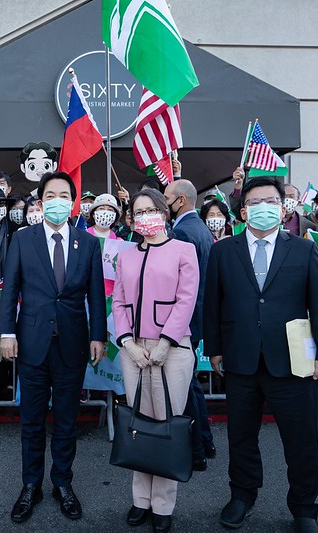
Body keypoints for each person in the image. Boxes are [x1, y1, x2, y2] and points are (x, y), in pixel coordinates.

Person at [204, 176, 318, 533]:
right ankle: (242, 495)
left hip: (293, 360)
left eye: (271, 201)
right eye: (256, 201)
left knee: (301, 439)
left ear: (282, 207)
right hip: (240, 359)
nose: (264, 207)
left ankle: (304, 508)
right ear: (244, 210)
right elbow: (212, 305)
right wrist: (213, 349)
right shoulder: (222, 251)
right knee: (241, 436)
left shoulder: (304, 249)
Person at [0, 171, 107, 524]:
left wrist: (98, 336)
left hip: (73, 344)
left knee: (66, 420)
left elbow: (95, 294)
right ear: (42, 201)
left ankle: (63, 482)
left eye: (65, 195)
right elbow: (10, 289)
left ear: (72, 201)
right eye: (51, 195)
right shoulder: (23, 239)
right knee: (31, 421)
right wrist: (7, 333)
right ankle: (31, 484)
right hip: (31, 343)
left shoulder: (88, 243)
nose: (58, 200)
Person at [112, 188, 198, 533]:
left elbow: (187, 298)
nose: (145, 215)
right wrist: (127, 343)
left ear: (163, 212)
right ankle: (140, 500)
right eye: (138, 211)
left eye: (150, 209)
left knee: (165, 425)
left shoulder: (184, 250)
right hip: (133, 350)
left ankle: (163, 504)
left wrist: (165, 342)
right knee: (139, 424)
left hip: (172, 349)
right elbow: (118, 302)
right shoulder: (126, 255)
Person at [164, 179, 216, 472]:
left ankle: (196, 449)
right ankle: (205, 441)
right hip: (195, 318)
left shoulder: (183, 231)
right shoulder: (200, 229)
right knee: (192, 385)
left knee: (185, 387)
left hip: (186, 321)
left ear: (180, 200)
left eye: (167, 198)